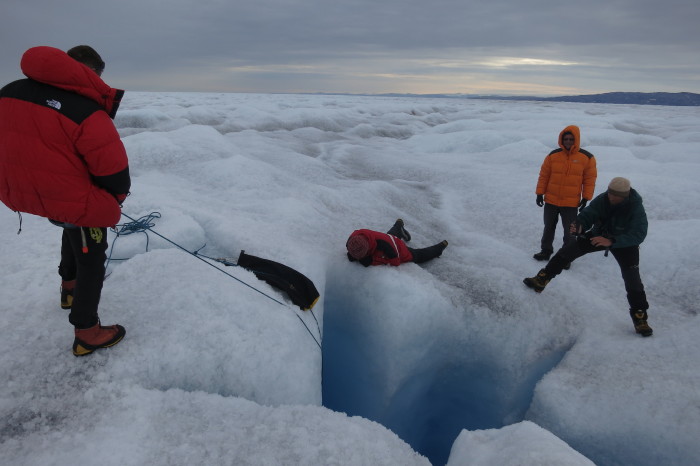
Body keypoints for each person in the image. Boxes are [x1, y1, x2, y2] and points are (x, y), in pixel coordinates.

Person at [0, 45, 131, 356]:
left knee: (70, 227)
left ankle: (68, 291)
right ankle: (88, 332)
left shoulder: (9, 91)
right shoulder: (85, 109)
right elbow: (112, 170)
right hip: (73, 197)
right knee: (92, 257)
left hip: (34, 191)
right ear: (85, 72)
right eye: (96, 75)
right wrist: (114, 199)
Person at [523, 177, 653, 337]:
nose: (611, 197)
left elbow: (639, 234)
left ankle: (640, 317)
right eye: (610, 194)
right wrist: (579, 225)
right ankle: (542, 279)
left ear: (625, 196)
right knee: (567, 251)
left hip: (624, 244)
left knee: (632, 278)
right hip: (600, 235)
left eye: (616, 196)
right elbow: (588, 214)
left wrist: (611, 241)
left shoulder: (635, 207)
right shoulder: (603, 199)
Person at [533, 125, 597, 267]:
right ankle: (546, 251)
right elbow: (544, 175)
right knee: (548, 227)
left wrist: (586, 197)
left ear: (576, 140)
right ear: (561, 139)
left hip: (570, 203)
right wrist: (539, 193)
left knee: (570, 231)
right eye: (565, 139)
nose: (568, 141)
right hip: (551, 200)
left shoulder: (587, 158)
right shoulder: (553, 155)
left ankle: (566, 257)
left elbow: (589, 180)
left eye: (571, 139)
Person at [346, 219, 448, 267]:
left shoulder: (386, 247)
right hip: (388, 238)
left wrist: (372, 260)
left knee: (418, 255)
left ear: (368, 248)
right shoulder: (352, 240)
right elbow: (353, 250)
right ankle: (398, 226)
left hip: (398, 249)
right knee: (391, 235)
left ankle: (439, 248)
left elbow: (395, 262)